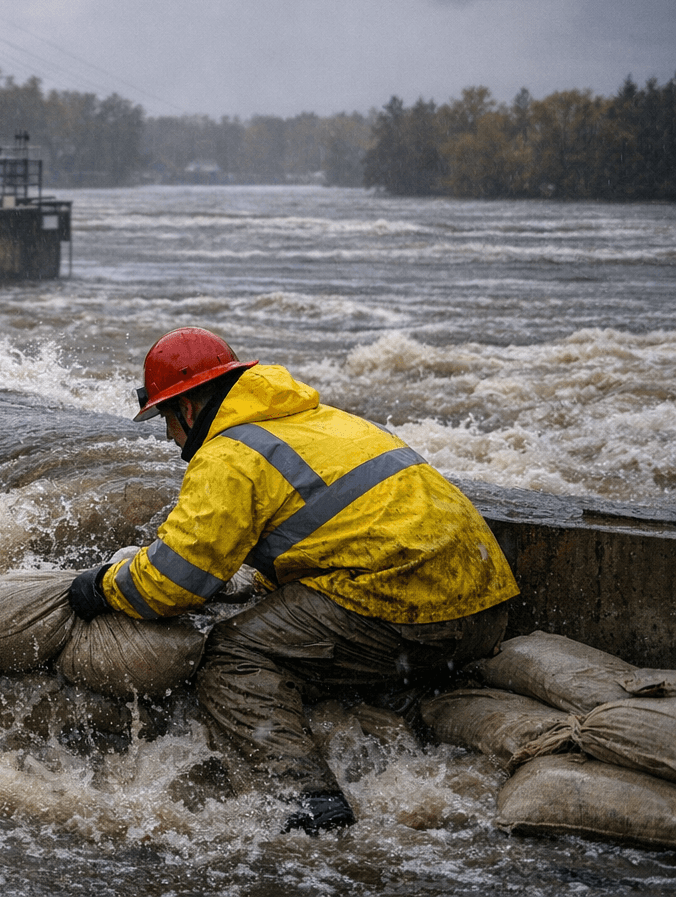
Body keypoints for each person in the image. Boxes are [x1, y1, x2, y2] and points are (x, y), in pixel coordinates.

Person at [67, 327, 519, 833]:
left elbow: (173, 585)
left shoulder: (229, 455)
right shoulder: (326, 422)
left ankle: (310, 807)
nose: (174, 442)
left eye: (167, 423)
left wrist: (100, 586)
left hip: (408, 612)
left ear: (188, 409)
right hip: (485, 608)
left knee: (233, 657)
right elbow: (334, 533)